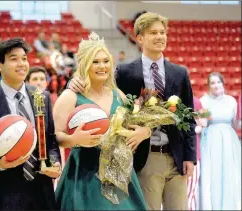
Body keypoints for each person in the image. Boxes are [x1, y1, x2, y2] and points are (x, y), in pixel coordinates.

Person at [68, 12, 196, 210]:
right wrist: (74, 80)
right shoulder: (125, 72)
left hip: (176, 156)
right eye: (153, 32)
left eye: (162, 32)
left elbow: (189, 114)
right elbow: (101, 91)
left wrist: (190, 156)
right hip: (145, 157)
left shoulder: (179, 73)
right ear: (140, 38)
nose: (160, 37)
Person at [53, 32, 148, 210]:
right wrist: (74, 140)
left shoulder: (118, 94)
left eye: (106, 61)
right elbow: (55, 135)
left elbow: (135, 125)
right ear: (85, 65)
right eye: (95, 62)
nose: (102, 66)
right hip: (84, 173)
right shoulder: (70, 96)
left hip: (118, 173)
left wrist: (143, 132)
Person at [0, 38, 62, 210]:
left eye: (24, 58)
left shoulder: (42, 96)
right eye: (14, 59)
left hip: (42, 188)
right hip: (6, 191)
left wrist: (54, 162)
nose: (22, 64)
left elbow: (50, 139)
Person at [199, 72, 241, 210]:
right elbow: (203, 124)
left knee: (229, 172)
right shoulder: (204, 101)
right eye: (212, 83)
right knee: (213, 173)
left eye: (218, 82)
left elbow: (236, 125)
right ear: (208, 86)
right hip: (211, 141)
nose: (216, 85)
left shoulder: (231, 101)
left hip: (230, 141)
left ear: (223, 83)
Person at [186, 96, 203, 210]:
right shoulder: (170, 99)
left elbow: (202, 125)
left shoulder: (196, 101)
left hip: (192, 153)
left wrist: (189, 130)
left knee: (190, 193)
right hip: (174, 155)